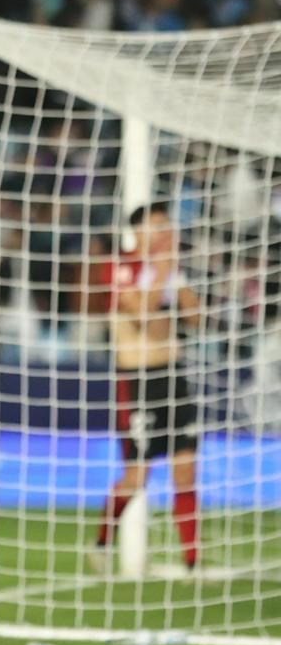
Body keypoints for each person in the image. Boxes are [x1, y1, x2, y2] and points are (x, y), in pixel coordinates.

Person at [96, 201, 201, 573]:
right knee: (138, 476)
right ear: (139, 231)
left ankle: (192, 562)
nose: (166, 231)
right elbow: (140, 316)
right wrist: (163, 273)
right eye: (158, 225)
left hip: (174, 378)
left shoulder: (170, 270)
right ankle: (102, 542)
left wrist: (178, 280)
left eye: (167, 224)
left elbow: (196, 318)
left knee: (186, 469)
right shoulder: (121, 266)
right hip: (137, 382)